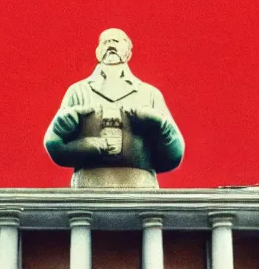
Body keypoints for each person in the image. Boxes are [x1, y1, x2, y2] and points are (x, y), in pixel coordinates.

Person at [44, 28, 184, 188]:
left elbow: (173, 158)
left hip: (141, 189)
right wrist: (64, 132)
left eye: (117, 41)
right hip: (88, 189)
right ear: (98, 52)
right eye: (105, 41)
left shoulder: (149, 93)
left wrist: (163, 127)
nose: (110, 44)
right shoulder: (79, 91)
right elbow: (56, 148)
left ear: (128, 53)